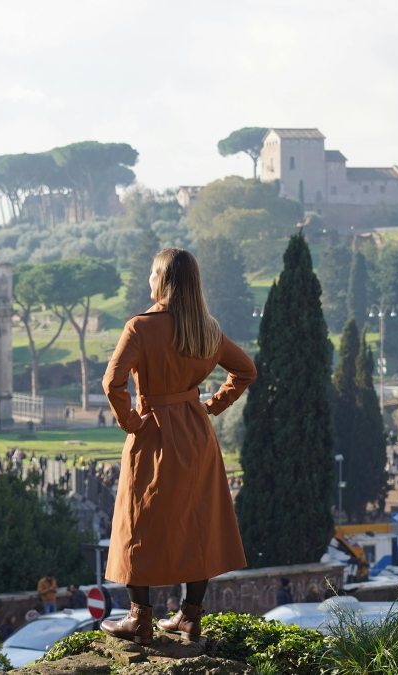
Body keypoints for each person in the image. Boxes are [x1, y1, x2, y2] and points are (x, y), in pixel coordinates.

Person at [99, 248, 257, 645]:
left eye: (153, 273)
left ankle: (139, 619)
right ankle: (190, 616)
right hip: (197, 434)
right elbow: (246, 370)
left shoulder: (140, 327)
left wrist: (130, 422)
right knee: (198, 520)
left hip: (152, 431)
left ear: (165, 280)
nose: (148, 279)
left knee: (138, 521)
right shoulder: (206, 329)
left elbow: (112, 383)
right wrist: (211, 406)